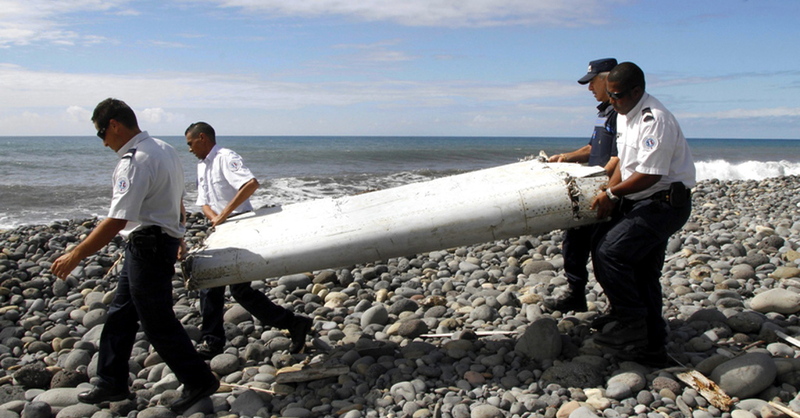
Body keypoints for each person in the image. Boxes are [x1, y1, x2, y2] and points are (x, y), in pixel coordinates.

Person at [51, 99, 219, 414]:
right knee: (121, 314)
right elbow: (176, 198)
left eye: (101, 133)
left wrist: (76, 254)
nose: (103, 142)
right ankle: (111, 380)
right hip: (153, 242)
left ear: (114, 125)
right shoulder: (164, 149)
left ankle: (198, 379)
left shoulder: (135, 160)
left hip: (148, 247)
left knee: (157, 320)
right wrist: (177, 233)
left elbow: (117, 220)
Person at [589, 62, 695, 366]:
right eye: (610, 95)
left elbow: (650, 174)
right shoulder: (625, 114)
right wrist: (610, 190)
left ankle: (632, 322)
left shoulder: (655, 120)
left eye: (617, 95)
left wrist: (612, 194)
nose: (612, 101)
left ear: (637, 91)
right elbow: (626, 162)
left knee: (612, 253)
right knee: (639, 268)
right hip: (641, 200)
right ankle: (651, 345)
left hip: (663, 204)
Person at [185, 122, 313, 358]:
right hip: (221, 229)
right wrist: (215, 219)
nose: (189, 149)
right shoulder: (202, 166)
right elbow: (203, 202)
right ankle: (214, 340)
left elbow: (250, 184)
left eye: (190, 143)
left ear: (202, 138)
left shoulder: (225, 157)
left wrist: (224, 215)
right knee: (218, 286)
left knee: (234, 288)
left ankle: (291, 323)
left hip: (240, 226)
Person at [544, 58, 620, 313]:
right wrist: (565, 157)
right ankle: (576, 293)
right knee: (573, 241)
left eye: (592, 82)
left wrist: (606, 189)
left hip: (607, 191)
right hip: (591, 189)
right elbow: (591, 148)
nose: (589, 88)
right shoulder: (603, 113)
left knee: (604, 252)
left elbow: (619, 158)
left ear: (608, 80)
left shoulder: (620, 115)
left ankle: (618, 306)